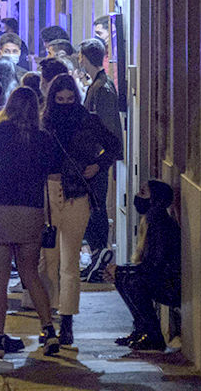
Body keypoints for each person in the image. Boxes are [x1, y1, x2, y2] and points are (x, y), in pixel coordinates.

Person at [0, 86, 59, 357]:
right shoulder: (42, 138)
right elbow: (52, 173)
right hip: (30, 211)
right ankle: (48, 330)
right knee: (30, 273)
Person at [39, 73, 119, 346]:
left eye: (69, 99)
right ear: (52, 99)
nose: (65, 104)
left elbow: (115, 146)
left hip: (77, 193)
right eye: (59, 99)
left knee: (69, 262)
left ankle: (67, 321)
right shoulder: (43, 122)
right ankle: (49, 320)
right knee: (49, 262)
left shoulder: (87, 120)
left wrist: (97, 165)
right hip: (49, 194)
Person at [111, 180, 181, 351]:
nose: (137, 196)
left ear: (154, 199)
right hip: (160, 278)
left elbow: (155, 265)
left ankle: (153, 335)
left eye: (143, 193)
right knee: (122, 277)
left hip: (170, 285)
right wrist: (121, 270)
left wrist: (122, 269)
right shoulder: (151, 221)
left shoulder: (160, 225)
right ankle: (141, 329)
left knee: (131, 281)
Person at [78, 38, 125, 282]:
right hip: (93, 163)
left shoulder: (102, 89)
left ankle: (99, 261)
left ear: (84, 58)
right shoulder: (97, 85)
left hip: (96, 165)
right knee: (92, 212)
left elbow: (109, 135)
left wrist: (98, 163)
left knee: (96, 213)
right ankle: (97, 260)